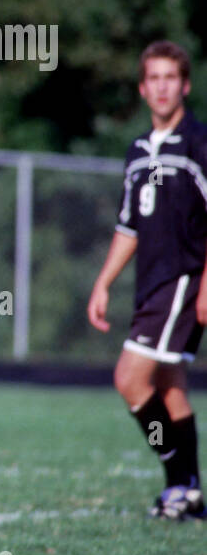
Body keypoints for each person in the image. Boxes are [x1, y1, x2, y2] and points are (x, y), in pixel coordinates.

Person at [88, 40, 207, 520]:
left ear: (185, 85)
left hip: (183, 278)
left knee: (129, 378)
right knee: (170, 382)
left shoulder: (198, 144)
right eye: (153, 78)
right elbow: (128, 226)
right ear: (142, 88)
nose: (161, 87)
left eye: (170, 78)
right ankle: (190, 490)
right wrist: (103, 282)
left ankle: (177, 480)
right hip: (150, 281)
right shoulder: (138, 151)